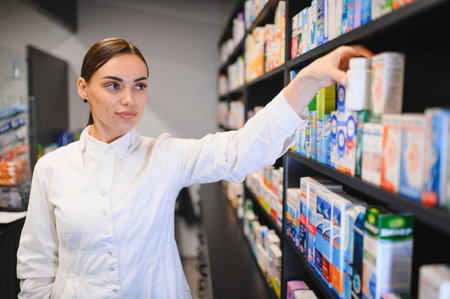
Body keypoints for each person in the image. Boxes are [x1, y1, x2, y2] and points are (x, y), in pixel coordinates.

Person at [16, 37, 372, 298]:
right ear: (83, 88)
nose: (129, 100)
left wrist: (307, 79)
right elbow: (35, 266)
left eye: (139, 86)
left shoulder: (164, 156)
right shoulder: (53, 168)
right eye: (113, 86)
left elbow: (241, 150)